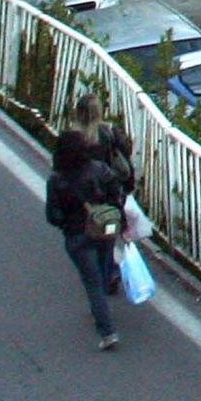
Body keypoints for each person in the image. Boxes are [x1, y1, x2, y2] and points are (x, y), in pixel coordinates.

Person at [45, 129, 128, 350]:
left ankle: (107, 331)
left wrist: (66, 223)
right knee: (101, 271)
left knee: (92, 283)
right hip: (104, 228)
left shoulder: (57, 179)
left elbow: (53, 215)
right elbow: (116, 194)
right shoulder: (99, 170)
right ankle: (101, 311)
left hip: (76, 235)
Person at [70, 92, 135, 195]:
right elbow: (125, 155)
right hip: (105, 189)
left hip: (76, 189)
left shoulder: (70, 136)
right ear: (99, 111)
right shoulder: (110, 132)